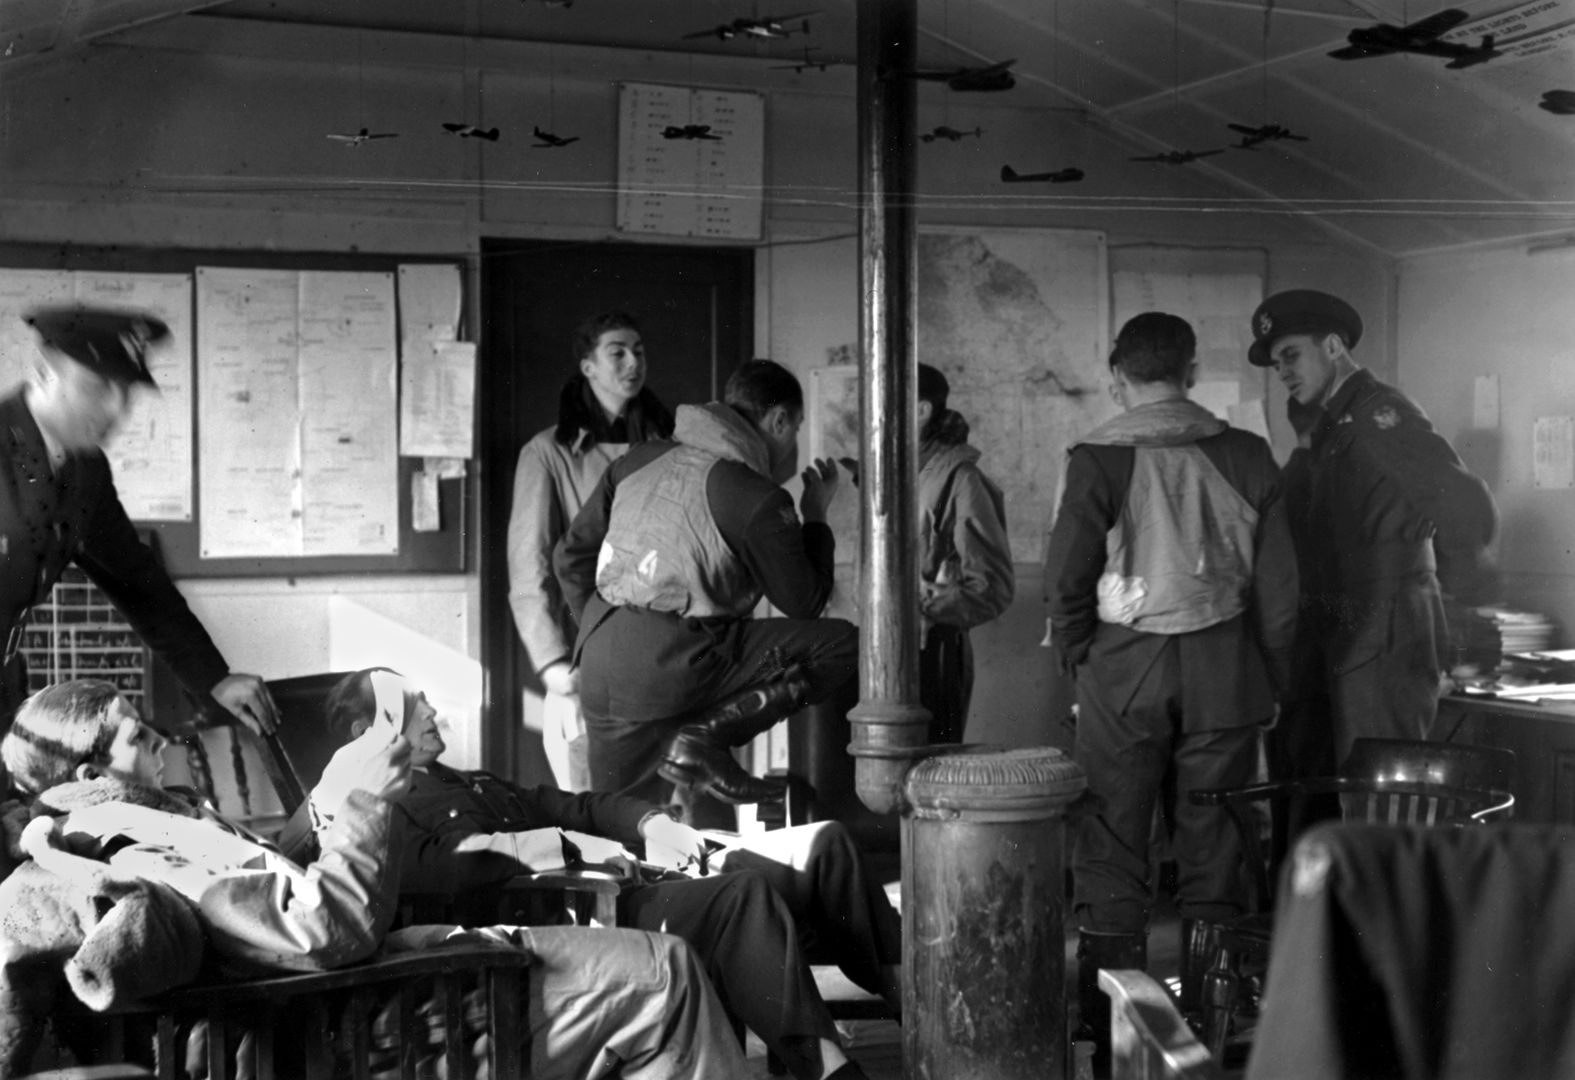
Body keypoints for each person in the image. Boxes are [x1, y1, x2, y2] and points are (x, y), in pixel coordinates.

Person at [0, 678, 750, 1080]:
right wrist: (359, 800)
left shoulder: (148, 823)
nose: (161, 738)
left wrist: (333, 801)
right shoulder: (137, 847)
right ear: (92, 773)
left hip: (372, 995)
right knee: (667, 976)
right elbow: (321, 933)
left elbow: (278, 897)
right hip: (367, 1027)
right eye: (139, 735)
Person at [319, 667, 893, 1080]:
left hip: (635, 876)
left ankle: (911, 990)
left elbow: (579, 805)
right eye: (413, 705)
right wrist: (566, 847)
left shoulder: (471, 781)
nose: (431, 711)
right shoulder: (373, 809)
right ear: (365, 735)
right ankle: (823, 1065)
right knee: (742, 897)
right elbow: (445, 868)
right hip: (585, 918)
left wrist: (651, 823)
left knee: (825, 844)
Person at [1044, 313, 1298, 1067]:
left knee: (1113, 842)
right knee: (1214, 847)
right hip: (1226, 673)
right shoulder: (1248, 455)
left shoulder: (1096, 459)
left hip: (1123, 672)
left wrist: (1084, 657)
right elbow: (1281, 598)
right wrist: (1272, 678)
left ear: (1117, 373)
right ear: (1190, 371)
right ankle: (1209, 1025)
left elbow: (1064, 584)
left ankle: (1104, 1024)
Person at [555, 359, 859, 807]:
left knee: (622, 820)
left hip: (602, 660)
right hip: (683, 664)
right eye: (793, 427)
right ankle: (705, 739)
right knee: (842, 644)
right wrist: (814, 516)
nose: (793, 440)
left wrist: (604, 633)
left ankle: (694, 754)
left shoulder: (638, 458)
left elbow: (570, 557)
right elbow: (804, 601)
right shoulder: (757, 496)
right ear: (777, 421)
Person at [0, 305, 277, 737]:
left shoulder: (84, 469)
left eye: (125, 391)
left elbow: (135, 578)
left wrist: (212, 678)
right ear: (43, 371)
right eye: (96, 387)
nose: (115, 409)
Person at [1247, 289, 1498, 761]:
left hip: (1386, 628)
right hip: (1353, 622)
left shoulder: (1377, 415)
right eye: (1277, 363)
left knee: (1382, 785)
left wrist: (1462, 613)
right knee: (1347, 784)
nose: (1282, 371)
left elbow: (1466, 505)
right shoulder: (1335, 424)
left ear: (1335, 347)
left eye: (1291, 355)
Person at [507, 311, 674, 790]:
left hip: (662, 657)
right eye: (616, 352)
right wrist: (553, 662)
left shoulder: (669, 446)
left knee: (670, 815)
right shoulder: (548, 453)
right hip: (587, 659)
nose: (632, 363)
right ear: (588, 367)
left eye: (638, 351)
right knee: (593, 814)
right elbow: (529, 567)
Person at [914, 363, 1014, 745]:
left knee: (932, 781)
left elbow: (992, 587)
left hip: (934, 653)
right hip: (884, 653)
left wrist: (925, 607)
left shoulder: (961, 479)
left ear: (921, 411)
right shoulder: (902, 475)